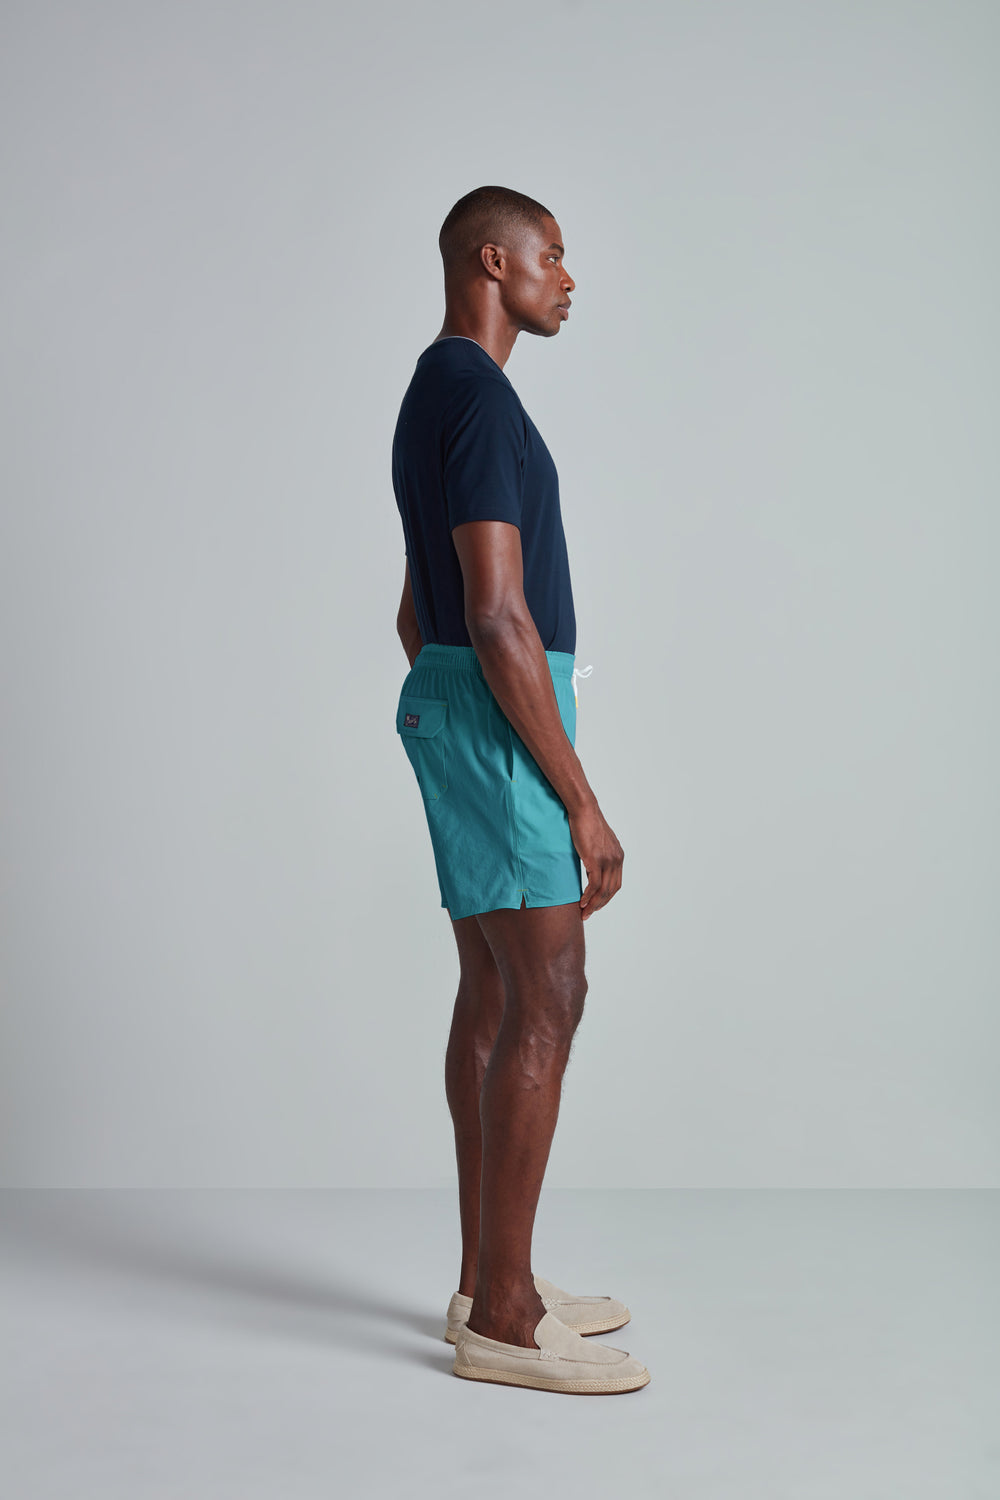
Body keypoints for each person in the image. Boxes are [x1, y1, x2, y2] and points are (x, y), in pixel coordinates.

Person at [391, 186, 649, 1395]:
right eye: (553, 255)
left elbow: (419, 609)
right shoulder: (481, 401)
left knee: (495, 988)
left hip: (464, 699)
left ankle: (491, 1278)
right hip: (500, 699)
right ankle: (502, 1314)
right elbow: (496, 615)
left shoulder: (434, 387)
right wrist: (577, 796)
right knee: (549, 988)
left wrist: (454, 713)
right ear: (494, 263)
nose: (568, 276)